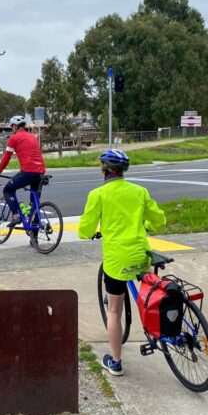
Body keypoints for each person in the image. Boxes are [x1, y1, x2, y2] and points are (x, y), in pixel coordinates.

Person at [77, 149, 166, 376]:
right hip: (140, 255)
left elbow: (84, 230)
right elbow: (159, 220)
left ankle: (115, 362)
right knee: (148, 294)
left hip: (116, 261)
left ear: (103, 169)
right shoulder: (139, 191)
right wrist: (147, 227)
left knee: (114, 311)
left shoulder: (98, 194)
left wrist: (90, 234)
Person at [0, 115, 47, 227]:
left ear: (15, 126)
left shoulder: (14, 138)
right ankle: (35, 237)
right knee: (34, 204)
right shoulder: (33, 137)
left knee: (8, 190)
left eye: (12, 126)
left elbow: (6, 157)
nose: (12, 128)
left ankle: (16, 215)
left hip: (28, 172)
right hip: (41, 172)